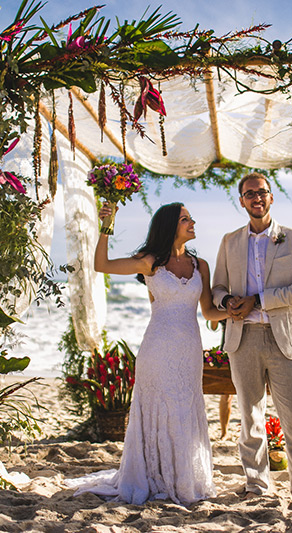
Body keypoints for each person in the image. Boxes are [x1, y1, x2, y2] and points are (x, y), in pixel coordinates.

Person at [68, 202, 228, 506]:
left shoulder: (201, 265)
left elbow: (208, 311)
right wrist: (107, 226)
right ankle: (156, 476)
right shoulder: (150, 262)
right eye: (185, 219)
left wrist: (235, 312)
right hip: (158, 348)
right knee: (159, 408)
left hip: (189, 349)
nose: (193, 222)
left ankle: (182, 478)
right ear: (170, 226)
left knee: (185, 408)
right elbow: (102, 265)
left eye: (191, 218)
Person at [212, 172, 292, 503]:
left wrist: (257, 300)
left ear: (271, 197)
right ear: (241, 201)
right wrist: (227, 303)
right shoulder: (229, 241)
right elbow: (217, 288)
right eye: (249, 193)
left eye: (262, 192)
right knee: (250, 416)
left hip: (284, 338)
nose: (256, 198)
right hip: (243, 339)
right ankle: (257, 485)